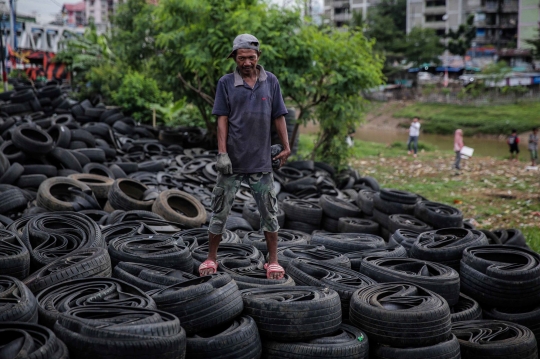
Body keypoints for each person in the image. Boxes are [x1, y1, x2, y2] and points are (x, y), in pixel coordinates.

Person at [199, 34, 291, 280]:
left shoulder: (270, 81)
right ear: (234, 58)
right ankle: (211, 257)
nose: (247, 62)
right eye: (242, 58)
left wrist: (286, 145)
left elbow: (279, 115)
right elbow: (222, 120)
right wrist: (222, 154)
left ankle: (272, 261)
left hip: (261, 162)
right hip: (232, 163)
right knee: (219, 211)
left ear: (258, 56)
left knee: (269, 213)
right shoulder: (226, 83)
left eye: (251, 57)